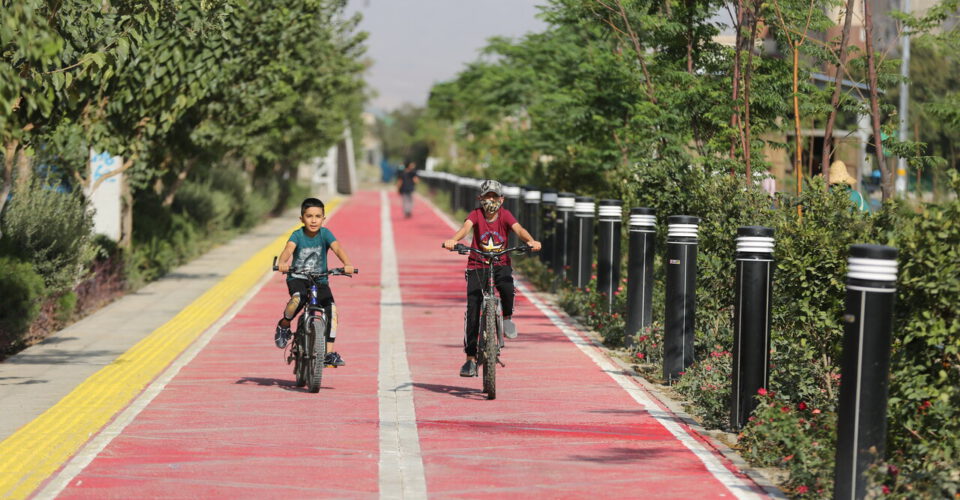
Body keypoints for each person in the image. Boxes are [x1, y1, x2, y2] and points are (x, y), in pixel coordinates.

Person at [442, 180, 542, 377]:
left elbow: (519, 229)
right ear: (480, 198)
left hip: (500, 264)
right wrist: (454, 240)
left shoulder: (505, 215)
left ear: (501, 199)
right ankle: (470, 359)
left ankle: (506, 318)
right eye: (487, 196)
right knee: (473, 311)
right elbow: (465, 228)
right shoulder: (476, 214)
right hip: (477, 266)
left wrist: (530, 241)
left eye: (495, 196)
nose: (491, 200)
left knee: (506, 288)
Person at [274, 198, 355, 367]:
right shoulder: (297, 235)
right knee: (298, 298)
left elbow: (337, 248)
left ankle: (329, 353)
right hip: (297, 277)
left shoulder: (325, 234)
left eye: (318, 216)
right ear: (301, 218)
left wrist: (347, 264)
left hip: (320, 279)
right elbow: (288, 249)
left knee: (331, 311)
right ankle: (284, 325)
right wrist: (282, 262)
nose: (313, 220)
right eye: (309, 216)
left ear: (323, 218)